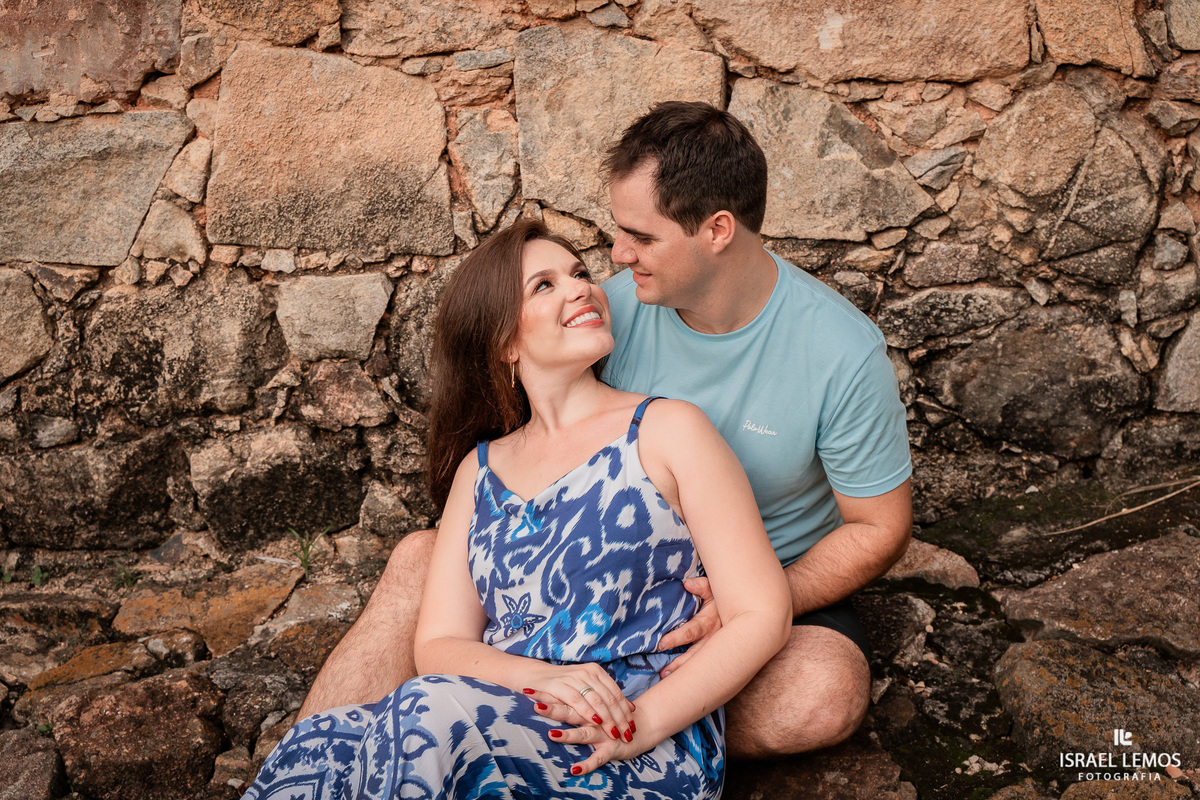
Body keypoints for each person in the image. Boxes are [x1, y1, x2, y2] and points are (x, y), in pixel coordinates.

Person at [297, 101, 913, 759]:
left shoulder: (840, 352)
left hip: (772, 582)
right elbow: (528, 447)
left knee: (823, 692)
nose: (617, 256)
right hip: (607, 574)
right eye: (616, 234)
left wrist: (749, 601)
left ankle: (595, 735)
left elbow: (880, 527)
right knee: (421, 558)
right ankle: (308, 767)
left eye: (641, 238)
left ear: (717, 230)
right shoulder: (603, 315)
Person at [244, 220, 791, 798]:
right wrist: (539, 676)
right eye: (544, 286)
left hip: (632, 734)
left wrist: (642, 725)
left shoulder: (668, 430)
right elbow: (441, 644)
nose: (581, 288)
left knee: (428, 715)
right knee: (322, 742)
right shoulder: (479, 471)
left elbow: (762, 612)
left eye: (579, 274)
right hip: (509, 705)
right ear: (505, 342)